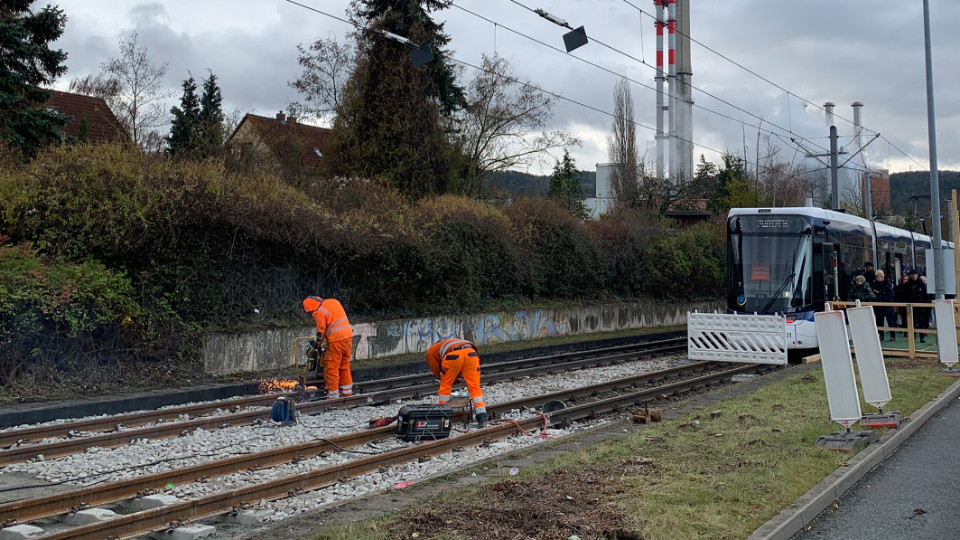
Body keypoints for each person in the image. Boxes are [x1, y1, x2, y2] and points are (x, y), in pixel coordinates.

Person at [425, 338, 488, 427]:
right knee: (474, 387)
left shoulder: (431, 351)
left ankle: (443, 414)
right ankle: (482, 415)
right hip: (471, 353)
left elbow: (435, 369)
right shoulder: (451, 342)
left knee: (445, 386)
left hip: (453, 356)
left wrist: (442, 375)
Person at [302, 296, 354, 398]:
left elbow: (321, 331)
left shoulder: (319, 312)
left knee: (331, 368)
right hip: (347, 338)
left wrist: (317, 344)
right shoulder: (333, 302)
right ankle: (347, 392)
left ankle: (333, 396)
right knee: (344, 366)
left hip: (336, 341)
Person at [899, 268, 931, 343]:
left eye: (915, 275)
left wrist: (927, 302)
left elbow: (925, 294)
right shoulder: (907, 284)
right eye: (912, 275)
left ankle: (921, 337)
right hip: (910, 305)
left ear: (917, 275)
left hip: (919, 305)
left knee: (921, 321)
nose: (914, 276)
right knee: (911, 322)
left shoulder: (921, 283)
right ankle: (913, 336)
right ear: (910, 275)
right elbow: (903, 295)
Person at [872, 269, 897, 341]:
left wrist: (886, 300)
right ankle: (881, 335)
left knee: (890, 321)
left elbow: (891, 294)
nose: (876, 278)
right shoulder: (875, 284)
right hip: (878, 306)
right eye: (876, 277)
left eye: (878, 277)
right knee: (879, 321)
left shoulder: (888, 284)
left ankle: (892, 336)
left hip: (887, 305)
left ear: (881, 276)